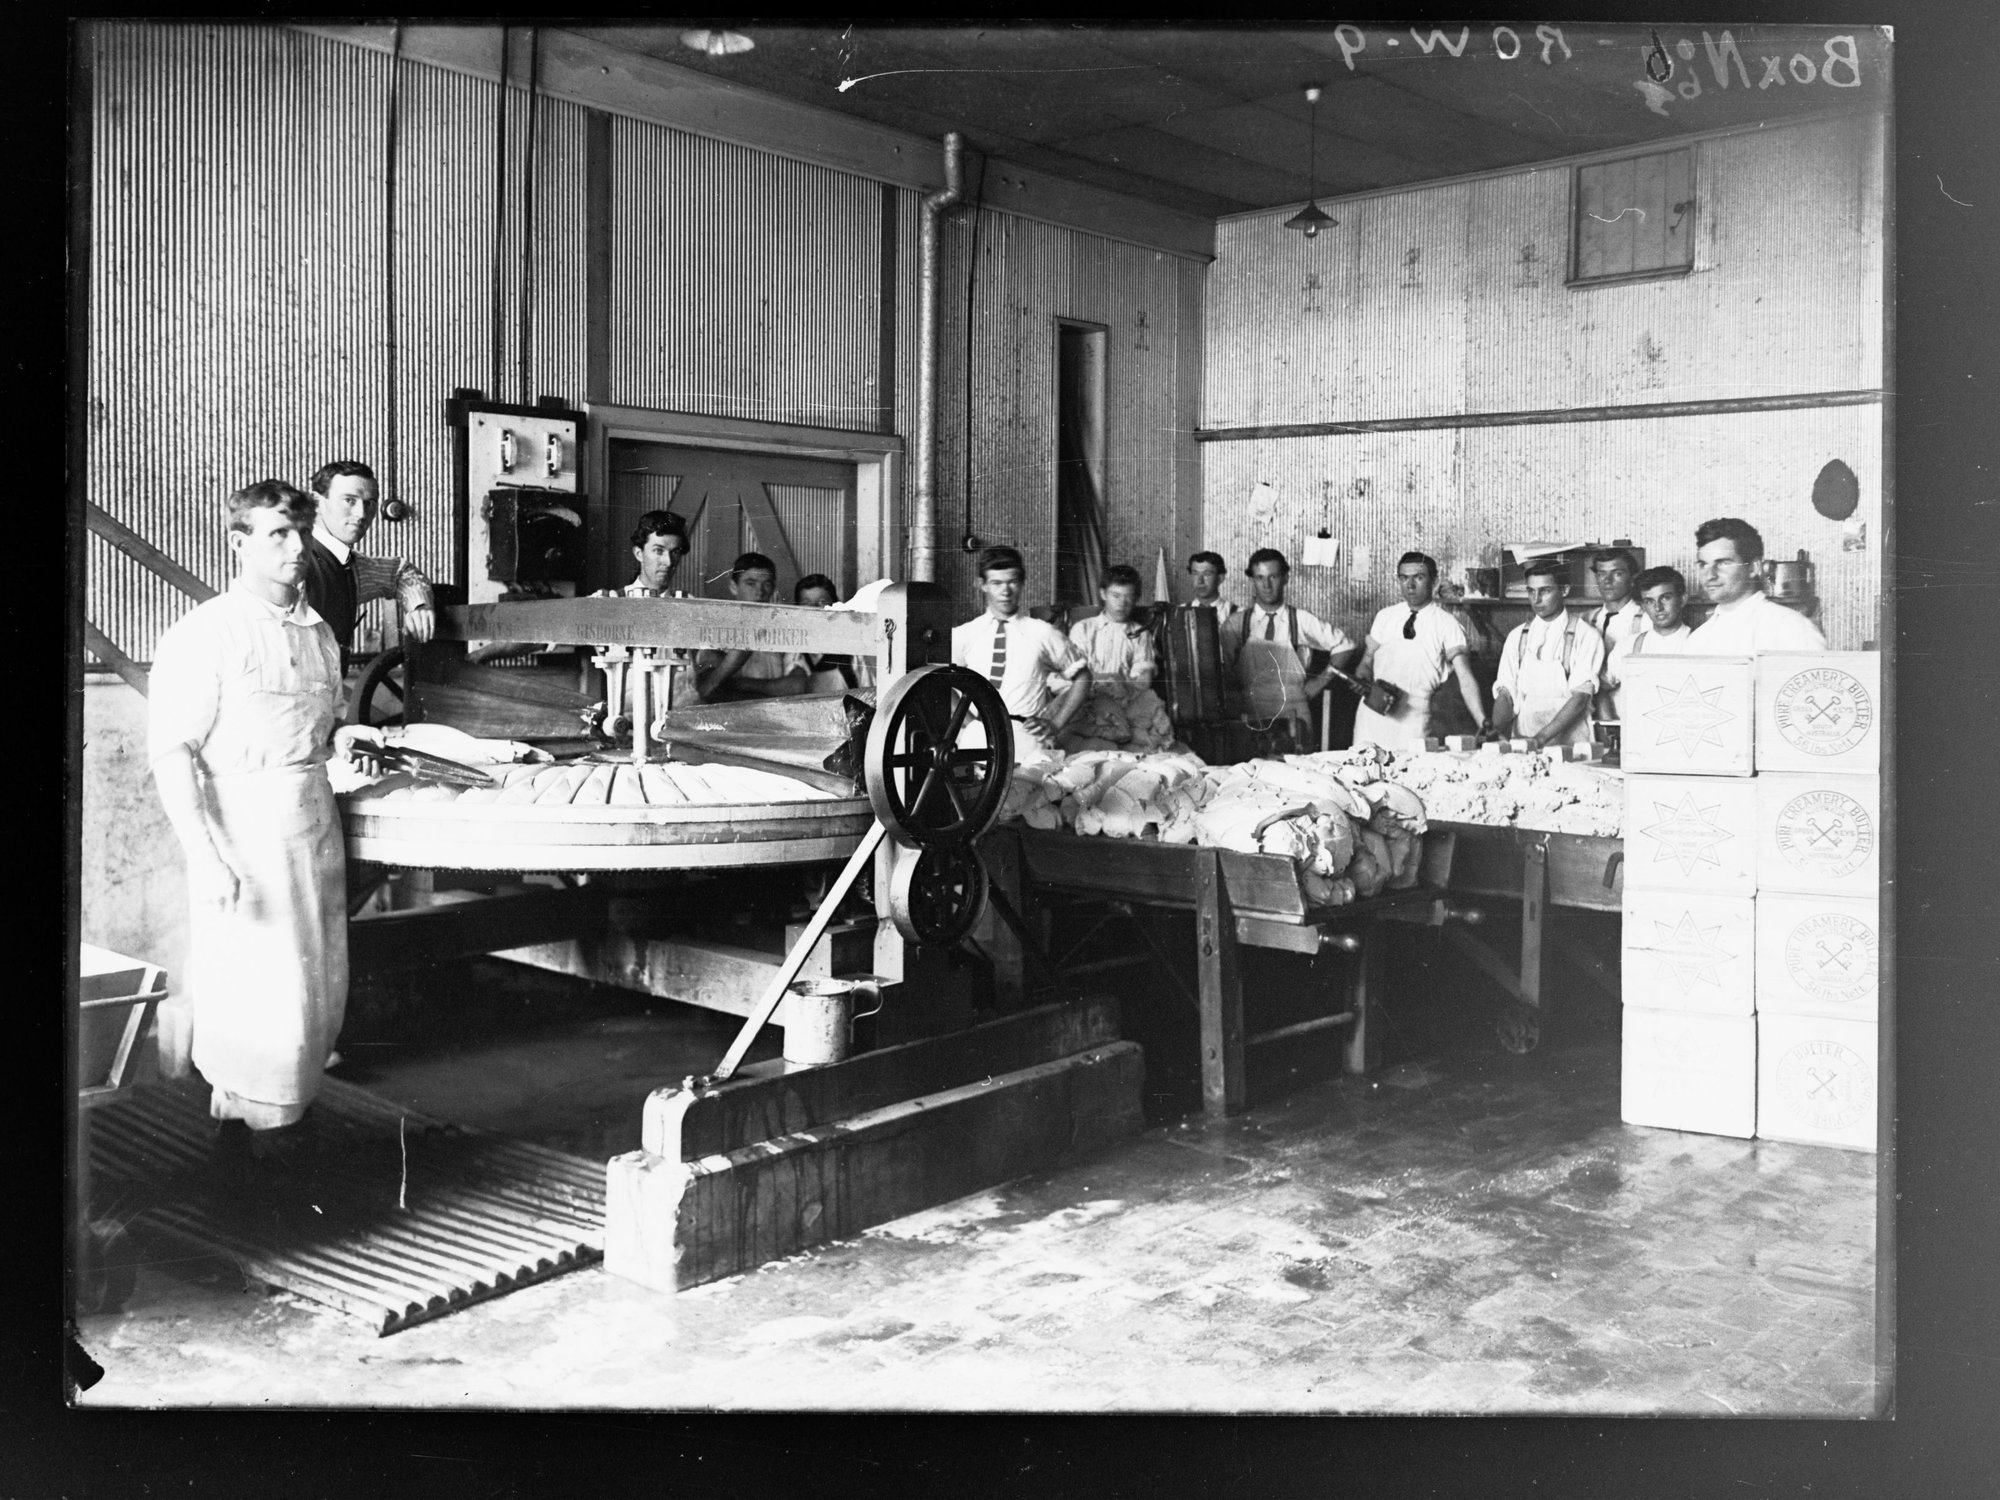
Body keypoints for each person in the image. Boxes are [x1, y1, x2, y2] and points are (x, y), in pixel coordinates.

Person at [149, 480, 381, 1164]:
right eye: (277, 533)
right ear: (238, 542)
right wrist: (206, 856)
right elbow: (172, 753)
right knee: (259, 1000)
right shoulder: (207, 633)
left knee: (316, 996)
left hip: (311, 822)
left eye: (300, 533)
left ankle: (274, 1136)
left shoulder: (319, 634)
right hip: (243, 836)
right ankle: (256, 1152)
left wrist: (341, 738)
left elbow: (322, 723)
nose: (296, 547)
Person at [951, 545, 1092, 766]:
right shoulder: (964, 634)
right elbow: (939, 681)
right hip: (976, 738)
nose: (1005, 591)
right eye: (996, 583)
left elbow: (1082, 676)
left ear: (1022, 583)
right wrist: (968, 723)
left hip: (1026, 740)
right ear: (982, 585)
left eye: (1012, 582)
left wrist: (1055, 724)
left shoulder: (1042, 632)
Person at [1218, 547, 1359, 750]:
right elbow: (1221, 668)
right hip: (1249, 711)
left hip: (1294, 710)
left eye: (1273, 577)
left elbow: (1346, 646)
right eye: (1260, 578)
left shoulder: (1301, 620)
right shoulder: (1236, 623)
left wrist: (1319, 682)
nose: (1266, 585)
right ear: (1252, 580)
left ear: (1285, 578)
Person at [1352, 551, 1488, 750]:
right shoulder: (1385, 617)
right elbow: (1365, 663)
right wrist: (1361, 680)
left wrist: (1482, 721)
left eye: (1419, 577)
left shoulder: (1447, 624)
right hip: (1372, 714)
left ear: (1433, 582)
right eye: (1404, 578)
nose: (1410, 585)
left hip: (1412, 720)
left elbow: (1465, 679)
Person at [299, 460, 435, 656]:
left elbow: (399, 572)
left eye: (370, 503)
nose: (361, 514)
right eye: (349, 500)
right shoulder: (295, 563)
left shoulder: (351, 566)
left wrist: (419, 605)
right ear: (317, 502)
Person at [1491, 557, 1606, 751]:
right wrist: (1496, 729)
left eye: (1545, 591)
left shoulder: (1586, 635)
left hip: (1573, 746)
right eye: (1531, 591)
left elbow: (1579, 699)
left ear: (1564, 590)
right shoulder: (1517, 636)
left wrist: (1539, 740)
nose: (1536, 599)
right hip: (1524, 740)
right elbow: (1506, 693)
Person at [1686, 517, 1829, 652]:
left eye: (1723, 563)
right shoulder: (1697, 640)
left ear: (1755, 567)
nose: (1710, 575)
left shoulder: (1792, 628)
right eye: (1703, 564)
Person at [694, 552, 811, 701]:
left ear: (773, 588)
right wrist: (772, 690)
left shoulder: (784, 630)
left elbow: (797, 686)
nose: (759, 592)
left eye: (767, 584)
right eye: (750, 583)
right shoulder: (714, 632)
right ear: (733, 586)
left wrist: (738, 684)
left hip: (774, 720)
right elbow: (709, 689)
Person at [1068, 564, 1156, 690]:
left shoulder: (1141, 633)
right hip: (1087, 699)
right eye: (1116, 596)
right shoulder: (1082, 629)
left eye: (1129, 597)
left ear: (1136, 599)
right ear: (1103, 594)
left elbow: (1143, 682)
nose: (1122, 603)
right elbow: (1075, 676)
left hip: (1127, 700)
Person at [1584, 547, 1646, 722]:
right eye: (1601, 573)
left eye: (1617, 573)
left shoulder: (1647, 621)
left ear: (1632, 578)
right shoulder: (1585, 620)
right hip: (1586, 718)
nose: (1607, 581)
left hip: (1628, 718)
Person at [1621, 566, 1697, 658]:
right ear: (1643, 606)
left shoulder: (1700, 643)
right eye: (1649, 601)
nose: (1658, 607)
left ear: (1682, 599)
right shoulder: (1626, 647)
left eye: (1665, 598)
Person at [1185, 551, 1238, 626]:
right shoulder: (1179, 612)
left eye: (1207, 574)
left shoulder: (1238, 614)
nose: (1200, 581)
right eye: (1195, 574)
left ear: (1220, 578)